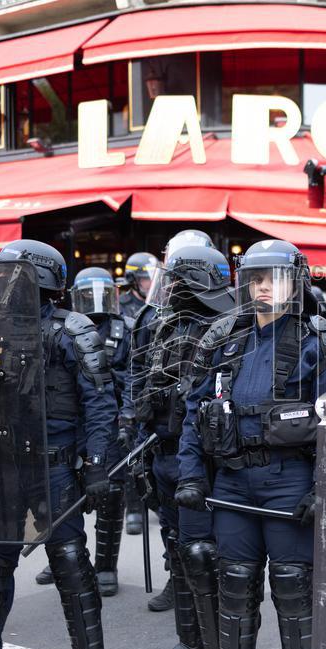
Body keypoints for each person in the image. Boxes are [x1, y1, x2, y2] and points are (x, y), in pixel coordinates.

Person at [175, 239, 326, 649]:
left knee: (292, 588)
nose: (263, 288)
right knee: (234, 586)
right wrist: (191, 474)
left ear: (295, 283)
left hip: (289, 481)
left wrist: (323, 489)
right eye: (256, 279)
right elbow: (195, 412)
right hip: (232, 482)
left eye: (274, 279)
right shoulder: (225, 339)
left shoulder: (314, 340)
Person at [0, 239, 117, 649]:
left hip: (54, 467)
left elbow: (100, 402)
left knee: (69, 563)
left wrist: (97, 463)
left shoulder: (74, 329)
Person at [134, 244, 235, 649]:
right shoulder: (165, 326)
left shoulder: (226, 327)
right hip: (162, 450)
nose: (168, 287)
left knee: (201, 553)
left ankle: (215, 647)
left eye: (175, 280)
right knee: (177, 547)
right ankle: (192, 641)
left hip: (198, 457)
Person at [129, 229, 217, 614]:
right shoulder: (157, 320)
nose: (174, 285)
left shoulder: (223, 318)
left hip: (199, 445)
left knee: (201, 530)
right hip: (161, 441)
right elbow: (139, 374)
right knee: (170, 525)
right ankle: (179, 586)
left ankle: (210, 599)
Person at [34, 267, 135, 596]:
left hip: (110, 419)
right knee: (60, 498)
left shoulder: (124, 329)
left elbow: (134, 376)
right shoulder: (66, 329)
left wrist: (129, 414)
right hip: (72, 421)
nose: (95, 301)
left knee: (109, 495)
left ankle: (106, 565)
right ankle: (63, 553)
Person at [119, 252, 159, 320]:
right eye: (147, 278)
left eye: (156, 277)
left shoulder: (162, 303)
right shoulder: (120, 307)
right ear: (133, 280)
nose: (153, 282)